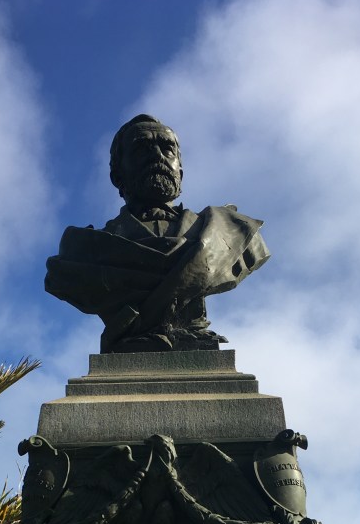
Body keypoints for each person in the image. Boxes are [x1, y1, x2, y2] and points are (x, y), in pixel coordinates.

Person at [45, 115, 270, 353]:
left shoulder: (230, 230)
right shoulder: (82, 249)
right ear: (117, 175)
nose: (157, 155)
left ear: (180, 172)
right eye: (141, 148)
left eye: (167, 148)